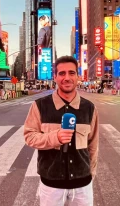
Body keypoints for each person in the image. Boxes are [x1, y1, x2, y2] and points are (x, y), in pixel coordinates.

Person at [24, 56, 99, 206]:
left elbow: (93, 145)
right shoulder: (40, 106)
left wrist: (91, 174)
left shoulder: (89, 108)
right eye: (62, 73)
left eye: (71, 73)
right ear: (55, 77)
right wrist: (55, 137)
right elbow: (29, 136)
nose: (67, 78)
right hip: (51, 185)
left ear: (78, 76)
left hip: (82, 185)